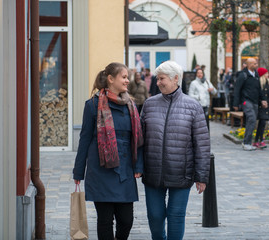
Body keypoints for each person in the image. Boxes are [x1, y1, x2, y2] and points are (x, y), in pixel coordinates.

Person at [73, 62, 144, 240]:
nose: (128, 81)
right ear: (111, 79)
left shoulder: (131, 106)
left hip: (125, 170)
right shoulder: (92, 105)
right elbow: (85, 139)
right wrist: (78, 171)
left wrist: (138, 166)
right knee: (105, 220)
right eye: (124, 77)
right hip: (101, 169)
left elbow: (138, 140)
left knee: (126, 220)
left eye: (127, 77)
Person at [141, 61, 210, 240]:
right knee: (155, 216)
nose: (158, 83)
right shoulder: (149, 104)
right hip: (153, 172)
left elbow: (202, 144)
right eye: (157, 79)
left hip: (182, 173)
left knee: (176, 216)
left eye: (162, 79)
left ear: (176, 79)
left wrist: (201, 177)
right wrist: (138, 166)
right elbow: (140, 140)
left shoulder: (193, 106)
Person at [233, 58, 267, 151]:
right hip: (246, 101)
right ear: (249, 64)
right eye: (255, 64)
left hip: (255, 102)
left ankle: (247, 142)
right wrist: (235, 104)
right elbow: (237, 89)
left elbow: (259, 89)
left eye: (256, 63)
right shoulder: (243, 75)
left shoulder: (256, 74)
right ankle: (246, 143)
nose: (256, 65)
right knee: (251, 118)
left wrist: (263, 100)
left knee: (252, 121)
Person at [253, 68, 269, 149]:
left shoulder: (268, 82)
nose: (268, 75)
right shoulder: (259, 83)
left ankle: (258, 140)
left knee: (262, 124)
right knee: (262, 123)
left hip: (266, 106)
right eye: (266, 73)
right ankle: (260, 140)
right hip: (261, 106)